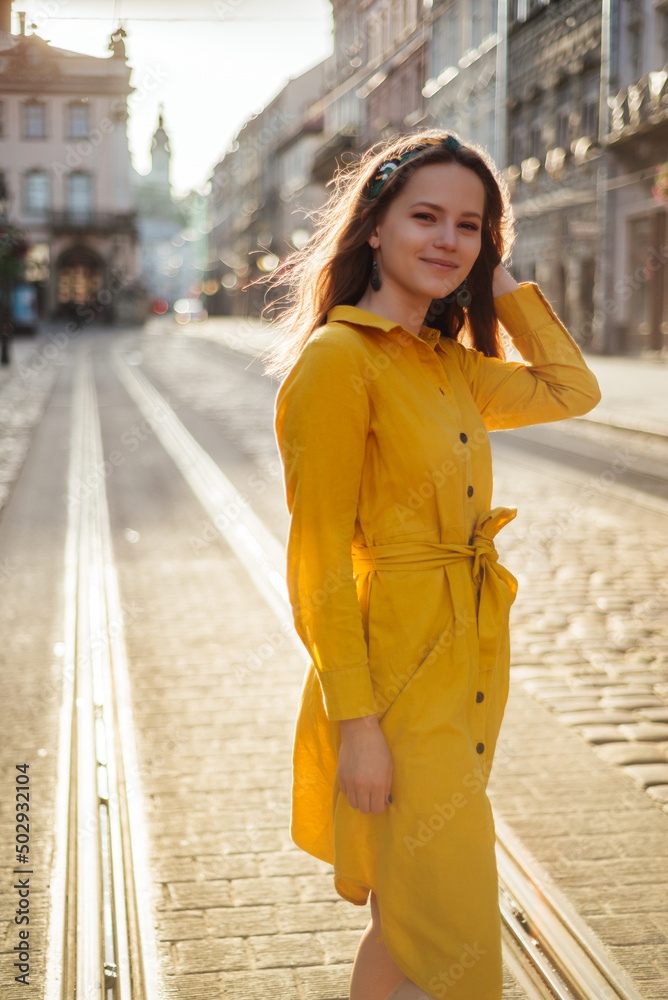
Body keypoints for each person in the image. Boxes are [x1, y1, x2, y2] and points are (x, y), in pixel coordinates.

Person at [264, 129, 601, 1000]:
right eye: (425, 217)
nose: (448, 239)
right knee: (451, 924)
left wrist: (499, 281)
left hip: (469, 661)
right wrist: (357, 727)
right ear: (374, 226)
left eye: (469, 225)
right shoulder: (338, 362)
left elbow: (572, 389)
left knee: (407, 922)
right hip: (395, 685)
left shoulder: (450, 365)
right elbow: (317, 561)